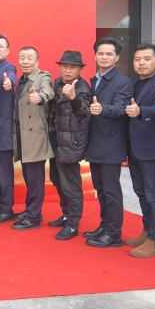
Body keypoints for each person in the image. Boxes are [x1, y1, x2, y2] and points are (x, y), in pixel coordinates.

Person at [124, 43, 155, 258]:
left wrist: (140, 111)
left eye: (146, 59)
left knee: (154, 196)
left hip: (153, 151)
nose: (141, 63)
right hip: (134, 150)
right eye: (137, 59)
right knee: (142, 193)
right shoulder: (134, 84)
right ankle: (147, 232)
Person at [84, 37, 135, 248]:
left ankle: (114, 234)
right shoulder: (96, 79)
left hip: (111, 144)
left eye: (109, 54)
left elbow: (122, 108)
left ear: (117, 57)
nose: (104, 57)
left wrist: (102, 109)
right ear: (95, 55)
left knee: (111, 191)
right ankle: (105, 226)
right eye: (100, 53)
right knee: (101, 189)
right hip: (95, 142)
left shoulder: (123, 81)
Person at [46, 50, 92, 240]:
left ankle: (73, 225)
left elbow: (84, 113)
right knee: (57, 180)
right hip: (55, 139)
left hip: (71, 143)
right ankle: (66, 215)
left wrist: (73, 98)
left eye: (73, 67)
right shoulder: (57, 82)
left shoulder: (83, 88)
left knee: (71, 185)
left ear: (80, 69)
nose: (67, 70)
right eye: (64, 66)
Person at [9, 47, 54, 230]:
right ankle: (32, 210)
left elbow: (48, 91)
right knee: (29, 177)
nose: (25, 61)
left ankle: (33, 217)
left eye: (29, 58)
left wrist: (40, 97)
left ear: (37, 61)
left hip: (34, 137)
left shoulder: (43, 76)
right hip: (21, 135)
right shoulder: (21, 80)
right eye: (22, 58)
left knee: (35, 179)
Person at [0, 34, 18, 223]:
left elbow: (12, 76)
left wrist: (10, 83)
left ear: (7, 50)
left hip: (3, 131)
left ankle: (6, 209)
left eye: (1, 46)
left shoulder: (8, 68)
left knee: (3, 174)